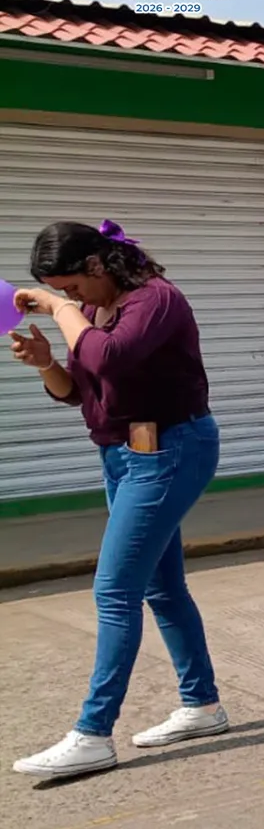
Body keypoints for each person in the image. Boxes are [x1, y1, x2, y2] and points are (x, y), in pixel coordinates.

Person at [10, 222, 227, 780]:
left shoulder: (155, 300)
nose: (73, 300)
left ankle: (93, 733)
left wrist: (58, 308)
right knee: (161, 586)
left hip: (170, 451)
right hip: (123, 455)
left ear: (98, 266)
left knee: (114, 590)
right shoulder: (96, 312)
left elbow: (107, 358)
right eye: (65, 292)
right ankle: (201, 705)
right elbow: (80, 391)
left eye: (74, 287)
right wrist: (45, 363)